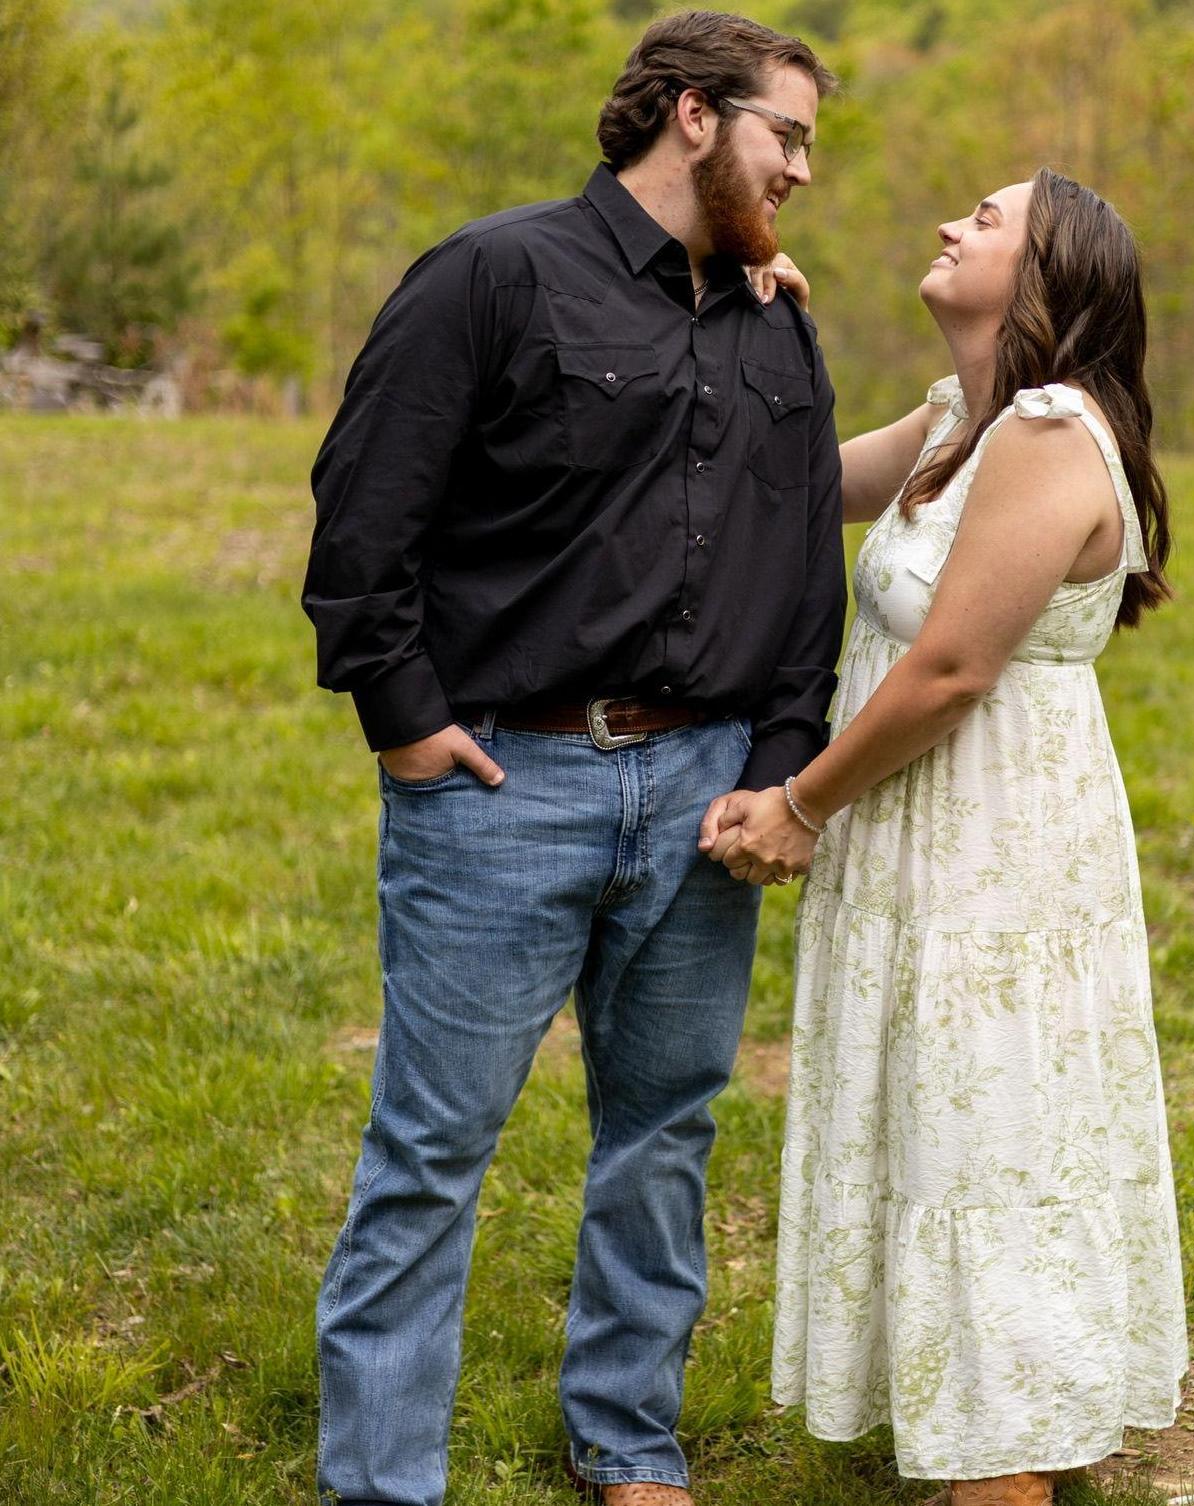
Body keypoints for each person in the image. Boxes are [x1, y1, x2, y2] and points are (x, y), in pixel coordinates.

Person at [299, 12, 844, 1505]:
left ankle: (629, 1438)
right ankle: (383, 1482)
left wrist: (781, 759)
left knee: (664, 1135)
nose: (802, 172)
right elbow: (364, 514)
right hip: (503, 786)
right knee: (432, 1150)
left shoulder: (776, 325)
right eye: (787, 135)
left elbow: (805, 566)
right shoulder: (492, 276)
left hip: (705, 792)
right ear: (692, 115)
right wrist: (408, 723)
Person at [706, 169, 1188, 1504]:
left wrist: (801, 802)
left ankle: (1006, 1463)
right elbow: (788, 482)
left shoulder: (1047, 430)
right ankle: (977, 1414)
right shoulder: (957, 420)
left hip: (992, 837)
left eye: (985, 220)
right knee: (936, 1113)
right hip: (923, 824)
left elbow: (953, 667)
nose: (947, 226)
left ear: (1045, 275)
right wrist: (759, 330)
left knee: (993, 1124)